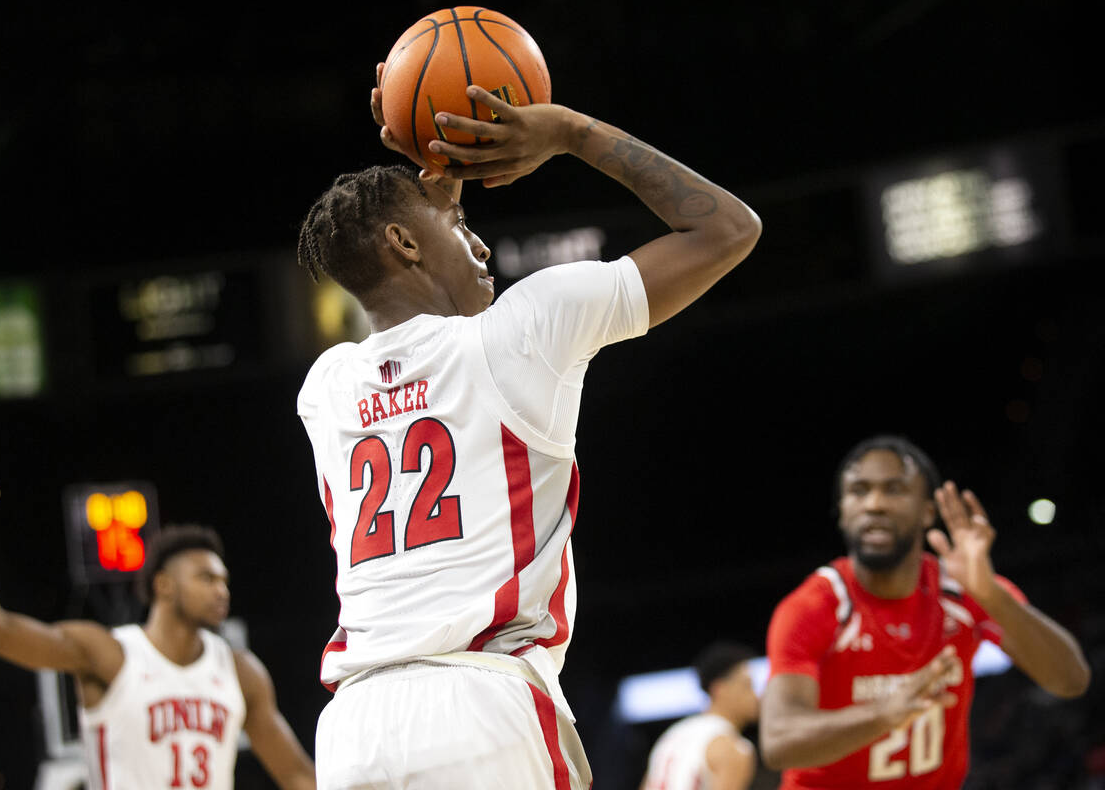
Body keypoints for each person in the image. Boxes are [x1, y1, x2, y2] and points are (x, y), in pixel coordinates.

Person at [294, 63, 762, 790]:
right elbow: (728, 228)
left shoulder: (325, 390)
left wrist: (435, 178)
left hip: (355, 731)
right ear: (406, 244)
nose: (481, 245)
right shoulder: (521, 332)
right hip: (481, 702)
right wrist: (569, 131)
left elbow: (406, 285)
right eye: (459, 226)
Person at [0, 444, 317, 790]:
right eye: (206, 578)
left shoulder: (241, 672)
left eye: (224, 580)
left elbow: (298, 775)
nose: (221, 590)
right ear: (165, 585)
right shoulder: (109, 655)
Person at [759, 434, 1091, 789]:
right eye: (859, 490)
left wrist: (992, 595)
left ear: (928, 511)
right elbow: (779, 743)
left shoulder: (965, 590)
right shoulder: (815, 606)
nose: (874, 504)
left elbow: (1070, 680)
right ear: (842, 510)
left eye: (895, 490)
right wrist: (884, 713)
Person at [640, 641, 761, 790]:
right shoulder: (733, 747)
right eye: (747, 686)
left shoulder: (671, 736)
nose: (756, 696)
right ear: (720, 689)